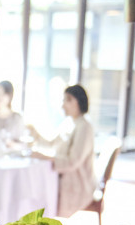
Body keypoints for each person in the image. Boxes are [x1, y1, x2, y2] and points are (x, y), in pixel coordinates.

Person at [31, 84, 96, 217]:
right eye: (63, 100)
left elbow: (73, 162)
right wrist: (34, 133)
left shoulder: (85, 127)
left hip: (77, 183)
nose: (63, 105)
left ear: (80, 101)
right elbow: (51, 144)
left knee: (36, 193)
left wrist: (44, 157)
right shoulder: (68, 123)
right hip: (63, 177)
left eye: (68, 100)